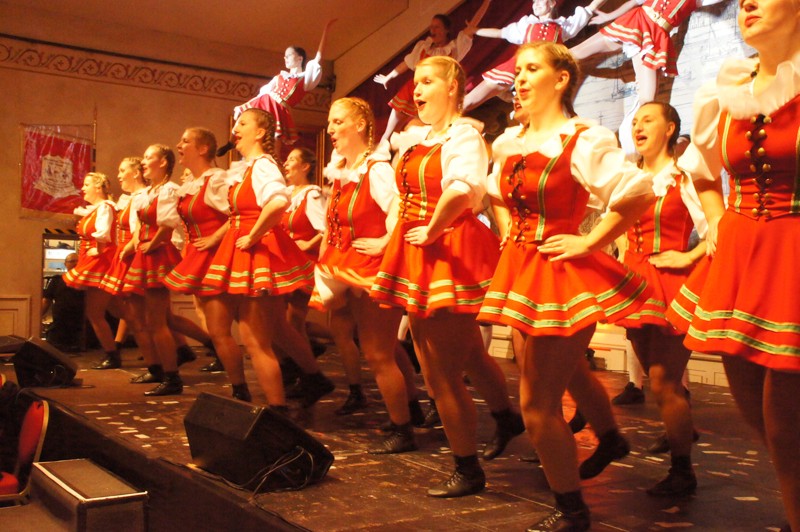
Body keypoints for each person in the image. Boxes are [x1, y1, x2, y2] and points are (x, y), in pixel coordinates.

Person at [476, 42, 657, 530]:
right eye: (518, 70)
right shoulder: (509, 142)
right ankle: (610, 438)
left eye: (532, 69)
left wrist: (590, 241)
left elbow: (637, 191)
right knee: (562, 375)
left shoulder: (583, 138)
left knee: (536, 403)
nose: (520, 78)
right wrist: (507, 234)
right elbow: (496, 194)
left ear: (560, 80)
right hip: (521, 269)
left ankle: (573, 511)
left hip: (558, 272)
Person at [666, 0, 800, 528]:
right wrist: (718, 220)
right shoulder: (726, 89)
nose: (747, 3)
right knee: (767, 426)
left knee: (786, 422)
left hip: (792, 259)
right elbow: (701, 170)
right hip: (742, 258)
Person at [371, 56, 521, 497]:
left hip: (448, 247)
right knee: (468, 353)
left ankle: (467, 468)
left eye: (427, 82)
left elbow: (463, 190)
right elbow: (403, 197)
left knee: (441, 372)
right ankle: (505, 418)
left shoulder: (464, 136)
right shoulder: (418, 139)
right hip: (419, 245)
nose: (416, 90)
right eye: (415, 83)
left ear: (453, 86)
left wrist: (433, 229)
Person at [203, 108, 333, 410]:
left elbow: (277, 202)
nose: (236, 129)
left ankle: (277, 408)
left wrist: (253, 235)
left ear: (260, 133)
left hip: (256, 249)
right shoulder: (248, 168)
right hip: (243, 245)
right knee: (274, 328)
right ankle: (313, 379)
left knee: (255, 338)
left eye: (243, 123)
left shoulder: (263, 165)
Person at [314, 97, 421, 452]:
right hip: (351, 265)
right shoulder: (344, 171)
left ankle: (403, 429)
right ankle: (411, 408)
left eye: (338, 122)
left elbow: (399, 210)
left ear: (360, 125)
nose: (331, 129)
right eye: (329, 123)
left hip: (375, 269)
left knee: (377, 353)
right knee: (381, 345)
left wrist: (385, 241)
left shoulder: (376, 169)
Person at [615, 101, 707, 496]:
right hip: (635, 282)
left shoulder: (683, 178)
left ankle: (683, 471)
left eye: (647, 120)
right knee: (658, 380)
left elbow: (717, 229)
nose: (638, 126)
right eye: (635, 121)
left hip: (670, 282)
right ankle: (681, 432)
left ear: (669, 129)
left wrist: (687, 256)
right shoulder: (628, 177)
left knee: (663, 380)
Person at [569, 0, 726, 153]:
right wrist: (608, 16)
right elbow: (633, 2)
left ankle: (631, 143)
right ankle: (551, 60)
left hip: (655, 38)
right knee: (577, 52)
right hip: (637, 22)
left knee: (647, 100)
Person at [163, 128, 243, 394]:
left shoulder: (217, 179)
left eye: (185, 141)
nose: (179, 145)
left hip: (219, 257)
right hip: (201, 256)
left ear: (203, 149)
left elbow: (238, 215)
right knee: (220, 329)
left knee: (223, 330)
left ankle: (242, 390)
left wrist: (214, 238)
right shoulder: (191, 185)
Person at [373, 1, 491, 143]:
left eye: (436, 27)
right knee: (393, 125)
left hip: (436, 92)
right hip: (415, 89)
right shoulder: (423, 47)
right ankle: (386, 141)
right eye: (431, 27)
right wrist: (388, 77)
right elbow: (407, 63)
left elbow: (472, 27)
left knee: (423, 127)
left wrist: (487, 2)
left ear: (446, 30)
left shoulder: (454, 48)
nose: (432, 30)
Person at [463, 0, 607, 111]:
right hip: (516, 66)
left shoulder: (563, 26)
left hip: (543, 73)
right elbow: (500, 33)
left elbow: (591, 8)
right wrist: (475, 30)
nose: (536, 4)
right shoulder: (526, 25)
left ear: (552, 3)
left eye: (540, 0)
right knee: (470, 101)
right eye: (533, 2)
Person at [121, 145, 184, 395]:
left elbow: (168, 225)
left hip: (158, 253)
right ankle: (164, 370)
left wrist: (152, 244)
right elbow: (141, 226)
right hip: (148, 252)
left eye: (149, 157)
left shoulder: (169, 190)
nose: (144, 161)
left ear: (164, 162)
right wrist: (140, 244)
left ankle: (172, 377)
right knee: (150, 320)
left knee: (157, 321)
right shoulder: (148, 193)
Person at [224, 19, 336, 152]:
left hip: (280, 106)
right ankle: (231, 142)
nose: (285, 58)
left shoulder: (304, 78)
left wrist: (326, 31)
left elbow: (317, 59)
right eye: (285, 56)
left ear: (300, 58)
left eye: (289, 55)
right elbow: (264, 91)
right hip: (266, 99)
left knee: (276, 134)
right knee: (243, 114)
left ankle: (274, 156)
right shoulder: (279, 76)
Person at [63, 172, 120, 369]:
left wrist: (99, 250)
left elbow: (104, 234)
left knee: (95, 312)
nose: (83, 188)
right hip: (95, 261)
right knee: (120, 311)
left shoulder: (105, 207)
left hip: (101, 263)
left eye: (87, 184)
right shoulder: (96, 210)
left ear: (98, 187)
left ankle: (112, 355)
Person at [42, 253, 83, 352]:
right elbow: (46, 301)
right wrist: (38, 318)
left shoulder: (87, 282)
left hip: (81, 326)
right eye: (72, 261)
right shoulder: (57, 280)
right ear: (65, 264)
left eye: (78, 261)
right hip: (59, 324)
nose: (75, 263)